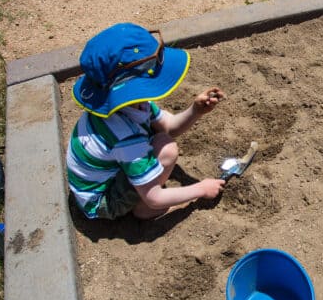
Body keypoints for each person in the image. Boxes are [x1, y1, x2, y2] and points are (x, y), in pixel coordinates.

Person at [66, 22, 226, 221]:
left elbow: (168, 126)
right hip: (102, 201)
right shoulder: (124, 136)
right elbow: (155, 198)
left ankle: (140, 186)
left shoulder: (128, 105)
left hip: (101, 179)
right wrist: (201, 189)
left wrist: (196, 111)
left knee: (162, 140)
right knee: (167, 150)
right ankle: (143, 211)